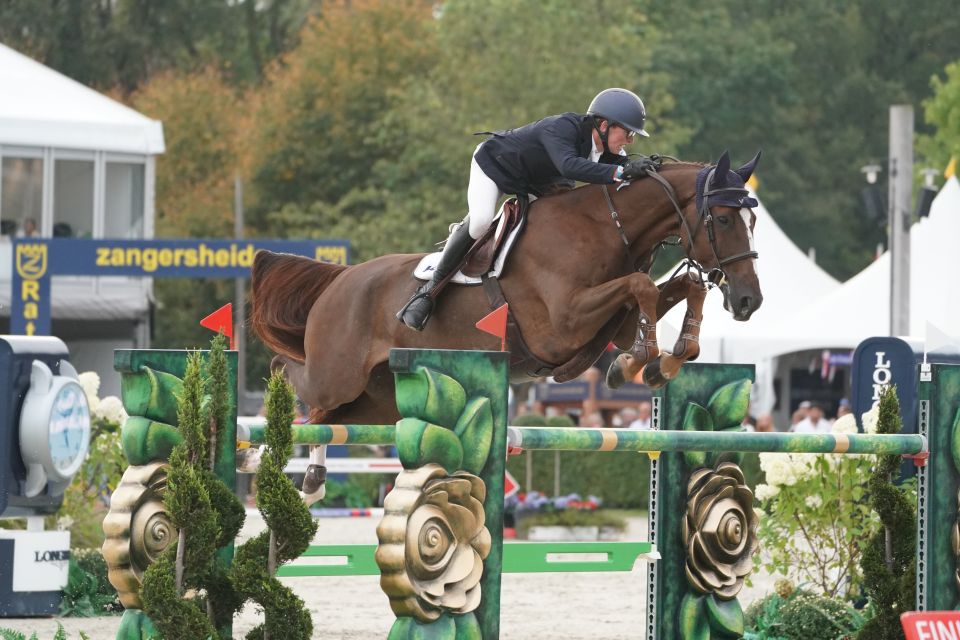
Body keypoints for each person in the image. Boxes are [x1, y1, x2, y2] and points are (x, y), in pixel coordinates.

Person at [397, 88, 657, 330]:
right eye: (629, 133)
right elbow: (569, 166)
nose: (631, 140)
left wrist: (645, 168)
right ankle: (429, 291)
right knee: (480, 222)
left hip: (536, 183)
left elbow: (621, 166)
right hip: (496, 167)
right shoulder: (562, 128)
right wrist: (621, 172)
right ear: (604, 125)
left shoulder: (604, 147)